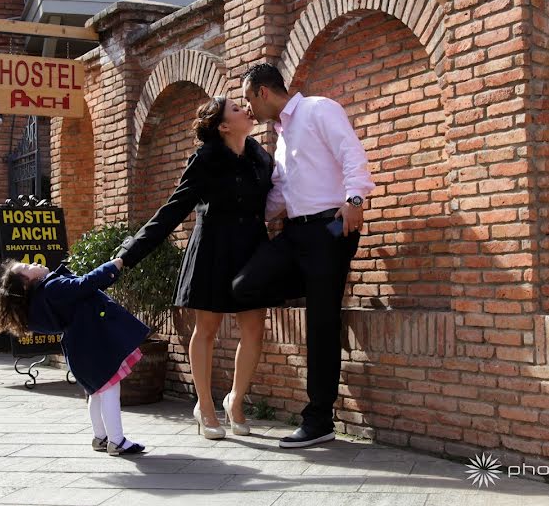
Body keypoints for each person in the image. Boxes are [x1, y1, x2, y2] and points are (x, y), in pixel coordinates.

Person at [115, 96, 275, 440]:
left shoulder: (260, 157)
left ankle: (235, 399)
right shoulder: (204, 160)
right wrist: (129, 253)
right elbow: (173, 210)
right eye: (235, 108)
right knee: (207, 327)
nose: (246, 109)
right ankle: (204, 406)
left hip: (251, 248)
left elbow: (275, 200)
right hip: (214, 249)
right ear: (223, 126)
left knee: (255, 328)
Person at [233, 63, 375, 449]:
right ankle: (315, 284)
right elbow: (280, 194)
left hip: (331, 227)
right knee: (244, 285)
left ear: (263, 92)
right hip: (296, 232)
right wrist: (247, 220)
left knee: (322, 322)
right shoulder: (281, 136)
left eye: (248, 99)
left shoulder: (318, 109)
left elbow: (351, 152)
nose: (248, 110)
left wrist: (355, 199)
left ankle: (319, 421)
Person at [0, 259, 148, 456]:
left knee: (97, 391)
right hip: (93, 346)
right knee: (109, 389)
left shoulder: (41, 297)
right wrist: (112, 266)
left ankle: (100, 437)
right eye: (26, 267)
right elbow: (85, 284)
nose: (31, 262)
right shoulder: (52, 288)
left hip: (80, 349)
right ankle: (116, 441)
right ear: (26, 283)